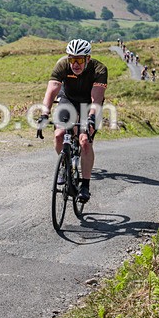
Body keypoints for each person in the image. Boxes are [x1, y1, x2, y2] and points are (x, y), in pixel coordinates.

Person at [36, 39, 108, 203]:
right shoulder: (63, 64)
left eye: (79, 60)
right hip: (68, 100)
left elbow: (96, 98)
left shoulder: (99, 69)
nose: (75, 64)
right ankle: (64, 166)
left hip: (89, 104)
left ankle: (85, 185)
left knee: (84, 141)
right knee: (59, 134)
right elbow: (52, 88)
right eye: (72, 59)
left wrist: (90, 119)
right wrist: (44, 113)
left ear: (87, 59)